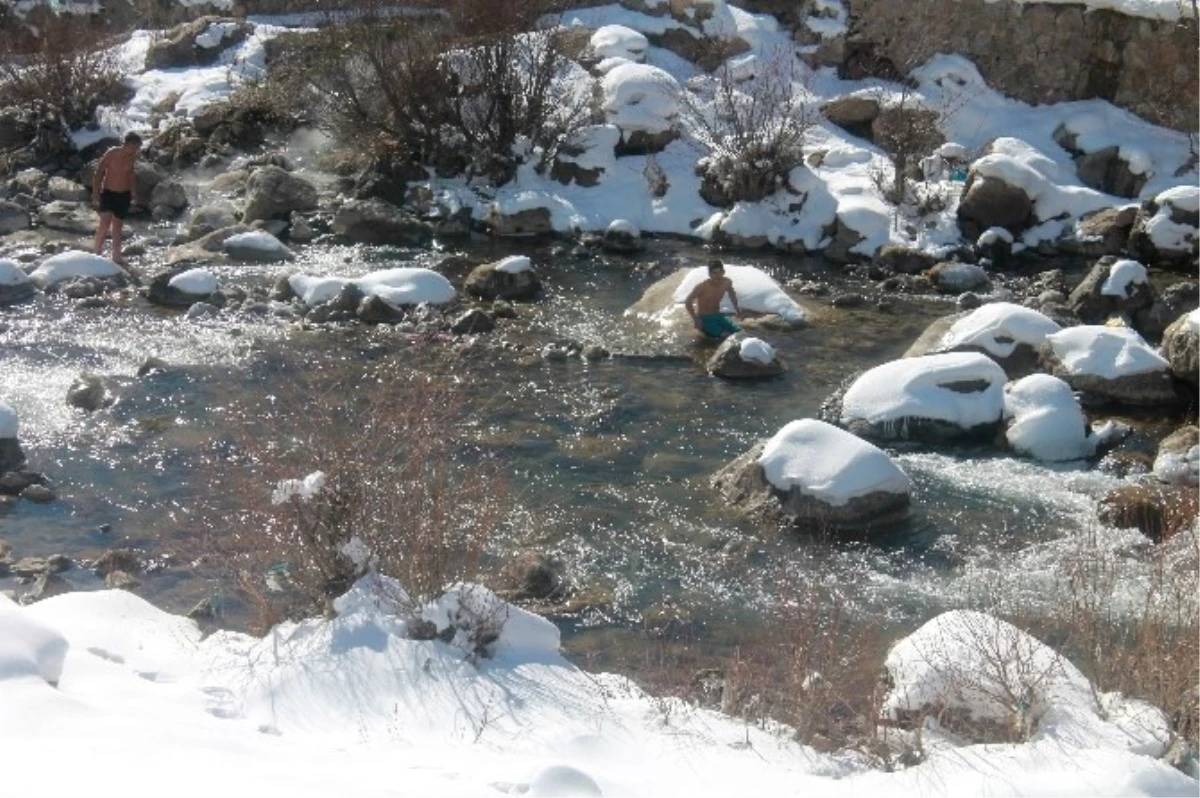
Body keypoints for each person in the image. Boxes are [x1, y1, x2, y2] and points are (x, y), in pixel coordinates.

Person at [92, 131, 142, 266]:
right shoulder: (112, 153)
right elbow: (99, 171)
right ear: (126, 144)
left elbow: (131, 175)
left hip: (123, 194)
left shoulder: (132, 157)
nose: (134, 150)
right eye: (133, 147)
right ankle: (96, 252)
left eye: (137, 148)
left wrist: (134, 194)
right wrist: (95, 192)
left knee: (118, 227)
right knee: (105, 222)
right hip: (108, 192)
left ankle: (116, 256)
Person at [685, 259, 742, 340]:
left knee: (739, 333)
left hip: (719, 316)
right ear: (709, 274)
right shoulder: (702, 286)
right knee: (727, 336)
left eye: (719, 272)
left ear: (723, 272)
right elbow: (688, 302)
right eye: (714, 273)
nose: (717, 276)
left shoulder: (727, 282)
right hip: (705, 319)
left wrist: (737, 309)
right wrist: (696, 319)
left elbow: (731, 293)